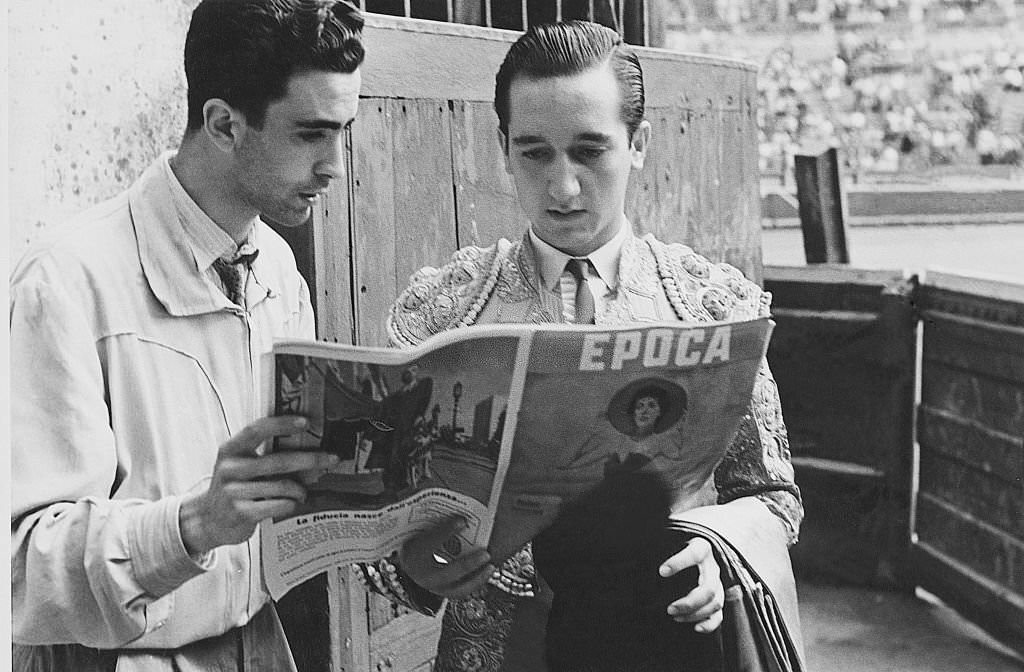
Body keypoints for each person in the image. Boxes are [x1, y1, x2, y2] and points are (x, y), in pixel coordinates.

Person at [359, 19, 804, 672]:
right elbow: (374, 525)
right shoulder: (443, 312)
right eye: (535, 152)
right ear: (504, 146)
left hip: (669, 642)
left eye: (590, 151)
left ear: (639, 144)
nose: (563, 188)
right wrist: (412, 566)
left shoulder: (709, 305)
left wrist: (721, 553)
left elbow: (773, 496)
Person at [10, 1, 365, 670]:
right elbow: (20, 569)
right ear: (224, 124)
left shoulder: (279, 269)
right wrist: (195, 524)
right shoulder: (64, 280)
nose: (335, 167)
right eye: (311, 134)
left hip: (262, 645)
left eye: (344, 131)